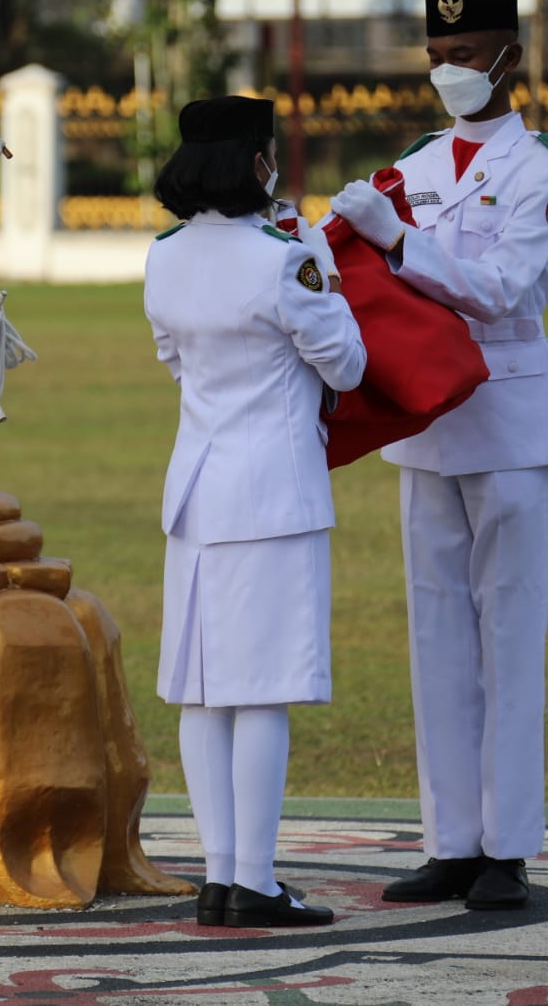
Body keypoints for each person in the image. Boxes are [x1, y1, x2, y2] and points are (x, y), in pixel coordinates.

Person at [327, 0, 548, 910]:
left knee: (507, 633)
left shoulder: (545, 167)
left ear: (509, 58)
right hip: (423, 415)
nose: (448, 72)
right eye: (437, 56)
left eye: (466, 55)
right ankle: (450, 843)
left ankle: (506, 848)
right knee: (436, 634)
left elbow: (505, 287)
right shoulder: (417, 163)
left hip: (508, 410)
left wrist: (400, 244)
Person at [144, 96, 367, 928]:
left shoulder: (162, 255)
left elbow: (174, 361)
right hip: (272, 490)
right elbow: (344, 366)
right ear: (257, 163)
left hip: (197, 489)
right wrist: (320, 258)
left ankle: (218, 876)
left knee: (203, 694)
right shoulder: (283, 257)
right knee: (260, 692)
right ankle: (257, 882)